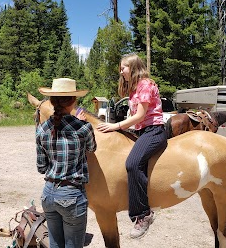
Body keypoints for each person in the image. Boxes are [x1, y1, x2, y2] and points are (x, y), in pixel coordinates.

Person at [97, 53, 167, 239]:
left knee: (132, 164)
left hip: (154, 131)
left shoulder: (145, 84)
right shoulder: (135, 88)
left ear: (134, 67)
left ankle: (144, 214)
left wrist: (115, 126)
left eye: (123, 68)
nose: (121, 72)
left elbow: (140, 116)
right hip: (143, 131)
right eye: (120, 69)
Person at [35, 78, 97, 248]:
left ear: (52, 101)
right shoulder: (84, 128)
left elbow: (41, 167)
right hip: (71, 195)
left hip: (48, 193)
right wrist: (80, 121)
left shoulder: (41, 130)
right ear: (74, 101)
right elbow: (92, 149)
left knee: (55, 245)